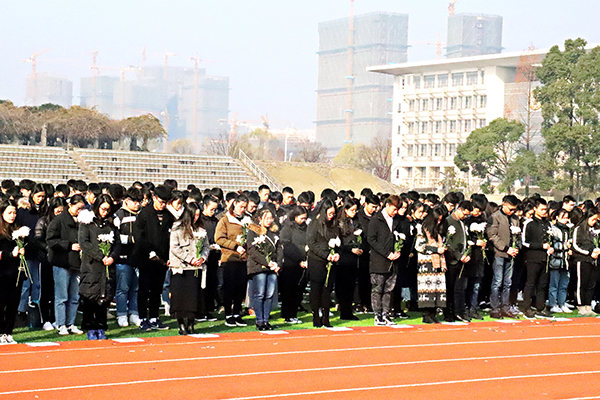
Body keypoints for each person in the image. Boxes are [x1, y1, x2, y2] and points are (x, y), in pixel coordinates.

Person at [132, 185, 174, 331]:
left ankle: (155, 317)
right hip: (145, 258)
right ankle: (143, 318)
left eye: (165, 203)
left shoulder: (168, 216)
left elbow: (170, 238)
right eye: (161, 202)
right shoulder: (145, 214)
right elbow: (139, 236)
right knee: (144, 289)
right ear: (154, 198)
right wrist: (149, 251)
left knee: (157, 290)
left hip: (161, 260)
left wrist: (168, 257)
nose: (162, 205)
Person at [78, 194, 120, 340]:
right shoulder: (87, 223)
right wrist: (100, 256)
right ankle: (90, 327)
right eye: (103, 209)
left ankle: (101, 326)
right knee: (90, 297)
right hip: (91, 265)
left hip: (107, 266)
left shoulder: (112, 223)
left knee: (105, 297)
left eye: (107, 210)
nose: (105, 212)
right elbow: (84, 243)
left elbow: (117, 243)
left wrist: (112, 256)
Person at [46, 195, 86, 336]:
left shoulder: (83, 220)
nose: (79, 211)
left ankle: (71, 323)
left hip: (77, 263)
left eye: (82, 208)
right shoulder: (58, 220)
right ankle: (61, 324)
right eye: (78, 208)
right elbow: (51, 240)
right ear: (70, 205)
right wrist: (69, 245)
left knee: (74, 296)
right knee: (62, 296)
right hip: (62, 262)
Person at [169, 202, 210, 335]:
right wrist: (190, 259)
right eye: (194, 215)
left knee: (194, 298)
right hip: (181, 268)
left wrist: (202, 258)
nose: (196, 218)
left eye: (198, 215)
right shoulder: (177, 228)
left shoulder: (201, 229)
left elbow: (206, 246)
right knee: (180, 299)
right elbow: (174, 248)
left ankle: (191, 324)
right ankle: (181, 324)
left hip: (195, 268)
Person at [215, 193, 251, 327]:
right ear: (234, 204)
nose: (243, 210)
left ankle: (237, 313)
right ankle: (228, 314)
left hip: (243, 259)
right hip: (229, 259)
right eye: (241, 206)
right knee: (229, 288)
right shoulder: (225, 220)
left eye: (245, 207)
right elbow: (219, 238)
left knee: (240, 288)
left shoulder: (247, 220)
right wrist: (235, 246)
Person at [368, 195, 403, 326]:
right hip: (379, 261)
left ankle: (386, 314)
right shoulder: (376, 219)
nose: (395, 212)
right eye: (394, 209)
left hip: (393, 262)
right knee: (377, 289)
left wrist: (398, 250)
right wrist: (386, 253)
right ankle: (377, 315)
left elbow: (400, 237)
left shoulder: (397, 220)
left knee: (389, 289)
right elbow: (371, 239)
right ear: (387, 205)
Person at [34, 196, 67, 331]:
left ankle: (55, 318)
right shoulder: (44, 221)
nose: (60, 213)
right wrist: (49, 248)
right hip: (46, 260)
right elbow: (38, 239)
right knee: (45, 290)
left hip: (61, 260)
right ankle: (45, 319)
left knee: (58, 291)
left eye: (62, 211)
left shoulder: (65, 222)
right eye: (57, 210)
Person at [16, 183, 47, 326]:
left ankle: (36, 310)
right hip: (27, 252)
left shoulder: (44, 212)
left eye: (43, 197)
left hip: (40, 253)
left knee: (37, 283)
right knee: (25, 284)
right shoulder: (24, 212)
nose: (40, 199)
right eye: (38, 196)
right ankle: (21, 311)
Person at [246, 207, 282, 330]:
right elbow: (252, 250)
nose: (269, 220)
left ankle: (266, 320)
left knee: (269, 295)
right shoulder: (253, 232)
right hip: (259, 267)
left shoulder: (274, 232)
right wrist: (267, 262)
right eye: (266, 218)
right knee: (260, 294)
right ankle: (259, 320)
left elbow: (279, 249)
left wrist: (278, 264)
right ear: (260, 219)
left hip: (272, 268)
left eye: (271, 218)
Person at [307, 199, 339, 328]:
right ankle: (316, 315)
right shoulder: (315, 224)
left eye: (333, 214)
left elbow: (337, 240)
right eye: (329, 213)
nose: (331, 216)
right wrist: (326, 255)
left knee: (327, 290)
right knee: (316, 290)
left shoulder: (334, 225)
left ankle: (326, 316)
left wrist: (336, 253)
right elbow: (311, 243)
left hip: (330, 262)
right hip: (317, 261)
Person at [486, 195, 521, 319]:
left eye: (514, 209)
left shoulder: (515, 218)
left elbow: (518, 235)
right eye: (510, 209)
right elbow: (492, 236)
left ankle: (506, 307)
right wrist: (506, 248)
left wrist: (517, 247)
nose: (512, 212)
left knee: (508, 282)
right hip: (499, 253)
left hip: (511, 254)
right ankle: (495, 308)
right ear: (503, 204)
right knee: (497, 281)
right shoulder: (495, 217)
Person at [113, 187, 142, 327]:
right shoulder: (118, 215)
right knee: (122, 288)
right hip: (122, 257)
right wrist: (131, 239)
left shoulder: (141, 215)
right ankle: (121, 314)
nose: (137, 204)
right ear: (126, 200)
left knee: (135, 288)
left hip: (138, 257)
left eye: (139, 201)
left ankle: (134, 313)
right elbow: (116, 236)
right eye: (134, 201)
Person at [521, 198, 553, 318]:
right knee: (530, 283)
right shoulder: (529, 223)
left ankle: (540, 307)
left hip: (545, 258)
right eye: (542, 209)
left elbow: (550, 239)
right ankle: (527, 307)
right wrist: (540, 245)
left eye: (545, 209)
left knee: (542, 284)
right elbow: (524, 242)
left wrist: (551, 247)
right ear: (535, 209)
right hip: (532, 257)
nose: (544, 212)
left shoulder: (548, 223)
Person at [415, 206, 448, 324]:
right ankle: (426, 314)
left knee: (436, 289)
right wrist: (435, 250)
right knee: (427, 289)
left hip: (438, 263)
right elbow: (419, 246)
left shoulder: (438, 232)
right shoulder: (423, 229)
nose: (439, 222)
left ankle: (433, 313)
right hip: (426, 263)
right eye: (437, 220)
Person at [0, 200, 26, 344]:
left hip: (16, 273)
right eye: (9, 212)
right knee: (1, 303)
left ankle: (8, 332)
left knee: (13, 303)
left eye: (14, 212)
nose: (12, 215)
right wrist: (10, 254)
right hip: (2, 273)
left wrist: (23, 250)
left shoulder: (17, 230)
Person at [279, 206, 308, 324]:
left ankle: (293, 313)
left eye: (305, 218)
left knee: (298, 291)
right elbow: (287, 246)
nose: (303, 221)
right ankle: (288, 315)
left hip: (304, 263)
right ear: (295, 217)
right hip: (290, 264)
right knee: (289, 291)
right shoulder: (287, 228)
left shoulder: (306, 228)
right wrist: (299, 258)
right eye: (301, 218)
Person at [445, 200, 473, 322]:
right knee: (450, 288)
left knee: (460, 288)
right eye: (464, 214)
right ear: (459, 209)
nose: (465, 216)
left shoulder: (463, 223)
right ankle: (448, 312)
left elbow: (468, 239)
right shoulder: (448, 221)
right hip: (452, 260)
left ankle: (459, 311)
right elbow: (448, 243)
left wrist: (468, 254)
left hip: (463, 260)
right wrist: (458, 256)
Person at [335, 197, 362, 320]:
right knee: (343, 286)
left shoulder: (355, 221)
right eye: (352, 210)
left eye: (355, 210)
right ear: (345, 210)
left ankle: (348, 310)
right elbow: (340, 242)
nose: (354, 212)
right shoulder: (340, 222)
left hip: (354, 259)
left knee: (351, 286)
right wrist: (351, 248)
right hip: (343, 258)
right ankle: (344, 310)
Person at [571, 207, 600, 316]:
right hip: (582, 259)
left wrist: (597, 251)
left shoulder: (596, 229)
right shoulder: (579, 229)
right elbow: (575, 245)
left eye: (596, 220)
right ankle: (581, 305)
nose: (594, 222)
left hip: (594, 260)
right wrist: (588, 253)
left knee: (591, 284)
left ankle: (588, 305)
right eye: (592, 219)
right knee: (582, 283)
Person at [355, 194, 379, 313]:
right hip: (361, 252)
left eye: (376, 207)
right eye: (372, 206)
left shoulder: (377, 217)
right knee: (360, 279)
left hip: (373, 252)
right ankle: (359, 302)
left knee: (371, 279)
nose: (373, 209)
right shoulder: (358, 216)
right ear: (366, 204)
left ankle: (368, 303)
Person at [199, 195, 221, 321]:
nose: (213, 212)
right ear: (205, 206)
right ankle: (200, 310)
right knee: (202, 284)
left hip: (213, 255)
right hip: (202, 255)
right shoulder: (200, 220)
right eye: (211, 209)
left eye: (215, 209)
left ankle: (208, 310)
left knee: (211, 283)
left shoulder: (215, 221)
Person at [548, 209, 572, 313]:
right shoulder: (553, 229)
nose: (565, 220)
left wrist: (570, 249)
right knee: (554, 284)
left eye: (567, 218)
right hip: (555, 260)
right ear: (557, 217)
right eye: (563, 217)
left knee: (564, 284)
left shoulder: (568, 230)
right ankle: (553, 304)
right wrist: (565, 246)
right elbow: (553, 244)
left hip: (565, 260)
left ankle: (562, 303)